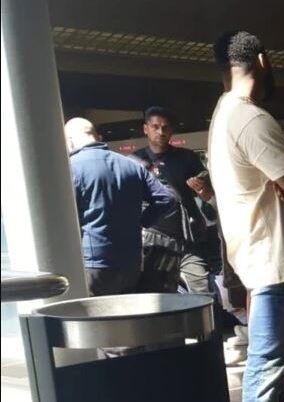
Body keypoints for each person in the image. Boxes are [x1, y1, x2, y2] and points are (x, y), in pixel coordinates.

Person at [210, 31, 284, 402]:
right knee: (265, 375)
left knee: (271, 373)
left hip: (260, 261)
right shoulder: (250, 118)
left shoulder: (223, 113)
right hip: (276, 263)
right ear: (262, 60)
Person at [65, 118, 174, 296]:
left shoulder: (72, 168)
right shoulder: (132, 165)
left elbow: (66, 217)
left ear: (69, 140)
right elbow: (165, 199)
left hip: (93, 263)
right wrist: (140, 222)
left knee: (96, 319)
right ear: (96, 136)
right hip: (131, 262)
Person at [133, 106, 217, 295]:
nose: (160, 132)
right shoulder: (134, 161)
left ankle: (208, 324)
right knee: (158, 296)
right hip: (152, 241)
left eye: (165, 127)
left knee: (202, 291)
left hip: (188, 239)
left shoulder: (187, 158)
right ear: (145, 128)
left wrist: (202, 188)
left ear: (171, 130)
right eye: (155, 127)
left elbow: (208, 194)